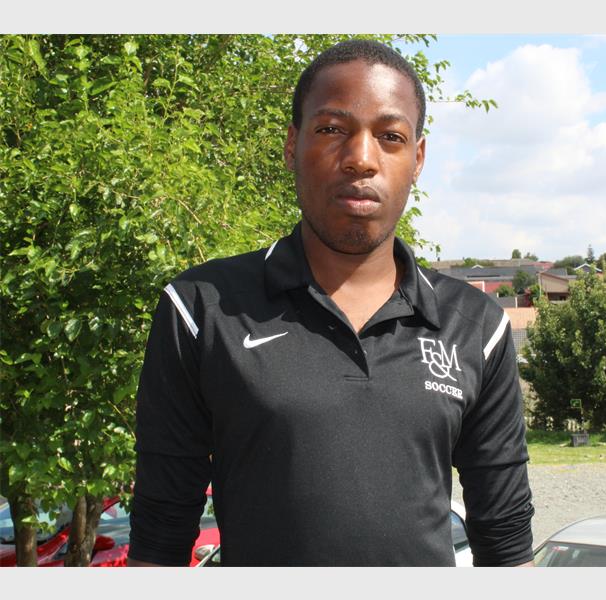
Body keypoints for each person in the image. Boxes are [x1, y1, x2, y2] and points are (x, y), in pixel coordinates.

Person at [128, 39, 534, 567]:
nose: (360, 159)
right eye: (331, 130)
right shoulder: (200, 310)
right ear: (291, 145)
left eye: (390, 136)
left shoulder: (477, 326)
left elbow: (505, 539)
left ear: (417, 159)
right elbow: (160, 532)